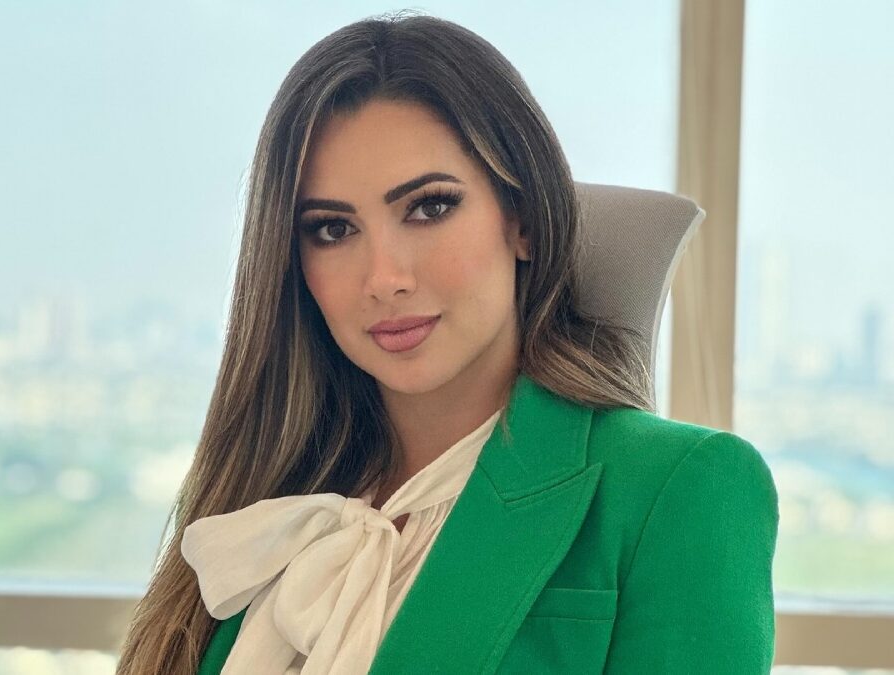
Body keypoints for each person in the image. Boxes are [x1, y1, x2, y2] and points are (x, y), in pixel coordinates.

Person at [116, 10, 778, 675]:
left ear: (523, 218)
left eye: (429, 207)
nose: (385, 279)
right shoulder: (262, 497)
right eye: (332, 229)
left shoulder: (682, 487)